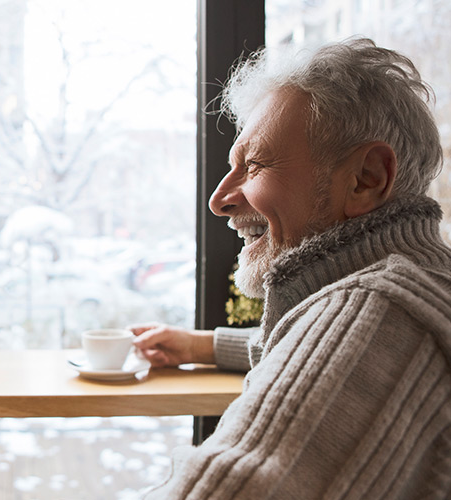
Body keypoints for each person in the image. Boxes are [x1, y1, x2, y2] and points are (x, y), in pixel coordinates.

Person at [132, 38, 451, 499]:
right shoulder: (417, 284)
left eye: (254, 165)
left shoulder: (376, 311)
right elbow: (320, 341)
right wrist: (203, 345)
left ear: (366, 179)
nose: (219, 200)